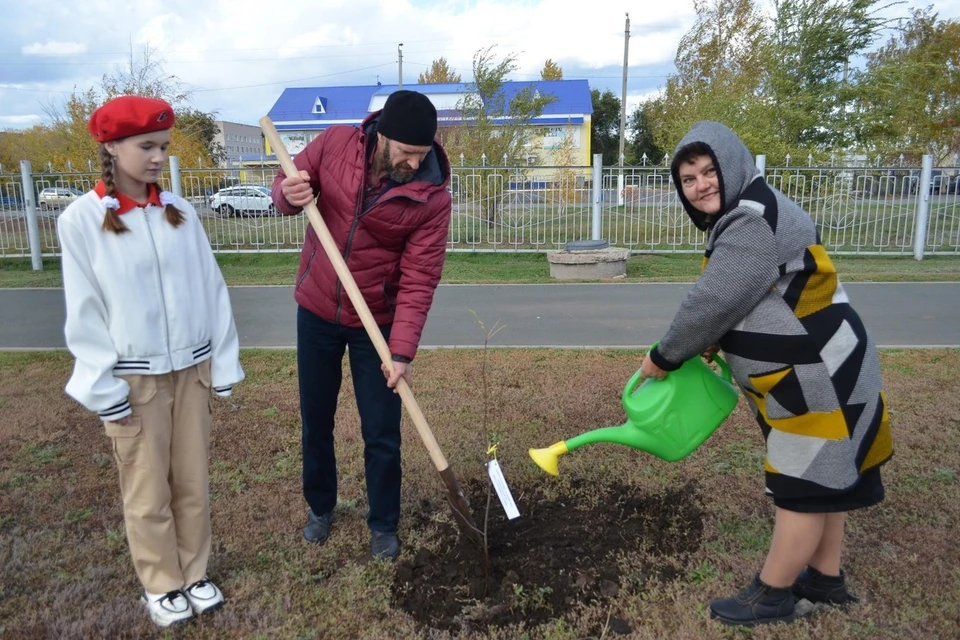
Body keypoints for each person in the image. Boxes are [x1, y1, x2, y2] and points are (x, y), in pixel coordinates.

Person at [640, 121, 893, 626]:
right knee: (829, 479)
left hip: (817, 374)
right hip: (829, 364)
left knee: (803, 482)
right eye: (688, 179)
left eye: (709, 171)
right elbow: (755, 293)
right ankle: (825, 579)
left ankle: (772, 594)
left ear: (732, 166)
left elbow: (712, 301)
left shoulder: (751, 219)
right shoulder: (752, 210)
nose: (701, 185)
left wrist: (663, 356)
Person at [58, 95, 244, 628]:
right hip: (134, 384)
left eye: (163, 146)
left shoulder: (180, 213)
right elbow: (86, 309)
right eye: (146, 146)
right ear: (112, 147)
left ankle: (194, 573)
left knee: (191, 480)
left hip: (192, 374)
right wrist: (103, 389)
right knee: (146, 489)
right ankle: (161, 583)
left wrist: (223, 365)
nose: (158, 157)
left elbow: (211, 289)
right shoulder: (82, 221)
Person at [270, 90, 452, 560]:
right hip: (316, 310)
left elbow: (420, 278)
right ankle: (321, 507)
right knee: (316, 418)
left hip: (378, 321)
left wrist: (401, 351)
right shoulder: (334, 143)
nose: (413, 162)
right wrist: (286, 196)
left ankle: (384, 522)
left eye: (422, 154)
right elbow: (289, 187)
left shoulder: (431, 198)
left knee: (382, 430)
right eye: (407, 152)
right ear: (382, 138)